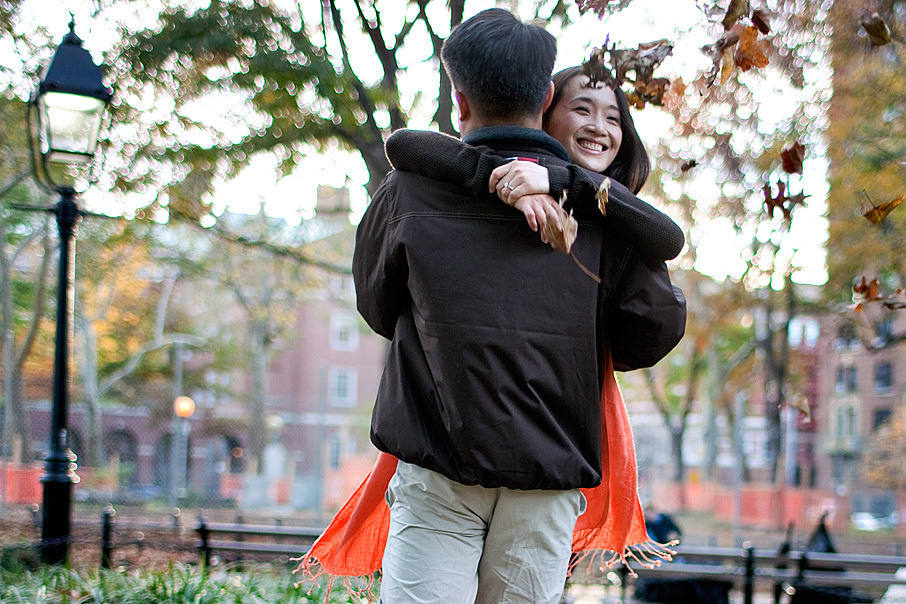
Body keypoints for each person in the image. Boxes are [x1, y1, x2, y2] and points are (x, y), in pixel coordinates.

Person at [352, 9, 686, 604]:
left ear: (459, 99)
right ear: (547, 97)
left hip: (439, 461)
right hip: (548, 470)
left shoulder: (407, 191)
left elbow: (378, 306)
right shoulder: (601, 217)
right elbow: (649, 333)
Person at [384, 66, 684, 262]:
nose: (598, 127)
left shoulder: (621, 215)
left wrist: (558, 181)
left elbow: (671, 238)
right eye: (582, 109)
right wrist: (502, 176)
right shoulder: (512, 169)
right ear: (545, 112)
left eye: (613, 118)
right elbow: (402, 143)